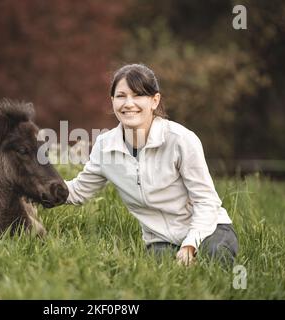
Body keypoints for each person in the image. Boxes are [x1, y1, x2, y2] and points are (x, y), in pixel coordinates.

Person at [65, 63, 238, 267]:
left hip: (209, 230)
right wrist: (31, 187)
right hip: (160, 240)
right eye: (121, 96)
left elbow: (206, 201)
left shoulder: (180, 139)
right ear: (112, 101)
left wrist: (190, 245)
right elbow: (77, 191)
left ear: (154, 100)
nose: (128, 103)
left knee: (213, 257)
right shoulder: (104, 146)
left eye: (138, 95)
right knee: (159, 271)